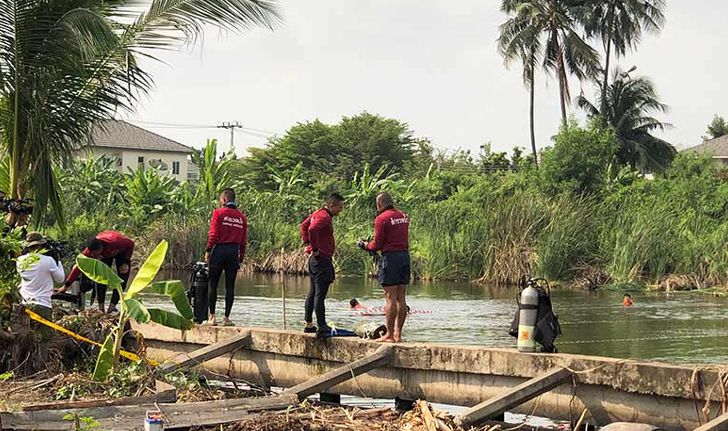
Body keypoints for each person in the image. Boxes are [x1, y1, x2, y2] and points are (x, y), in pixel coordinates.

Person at [358, 192, 410, 343]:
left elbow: (377, 244)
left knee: (390, 298)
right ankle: (398, 334)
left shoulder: (381, 218)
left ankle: (389, 335)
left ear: (379, 204)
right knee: (401, 297)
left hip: (391, 258)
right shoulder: (403, 215)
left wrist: (365, 245)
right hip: (404, 256)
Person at [300, 193, 345, 337]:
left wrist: (307, 242)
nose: (340, 210)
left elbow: (304, 226)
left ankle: (309, 324)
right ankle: (322, 325)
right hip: (321, 260)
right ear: (332, 205)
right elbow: (312, 229)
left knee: (313, 292)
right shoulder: (324, 217)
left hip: (316, 261)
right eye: (339, 207)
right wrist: (314, 248)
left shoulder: (317, 213)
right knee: (320, 294)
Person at [16, 232, 65, 362]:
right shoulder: (48, 261)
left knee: (27, 337)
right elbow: (60, 279)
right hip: (42, 304)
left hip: (25, 304)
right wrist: (58, 260)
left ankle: (26, 366)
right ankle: (41, 366)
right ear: (41, 245)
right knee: (44, 338)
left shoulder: (20, 261)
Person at [205, 188, 248, 326]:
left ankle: (212, 317)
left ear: (224, 199)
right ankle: (226, 318)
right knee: (230, 287)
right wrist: (240, 256)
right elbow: (243, 240)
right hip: (233, 252)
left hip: (219, 250)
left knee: (213, 284)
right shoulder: (242, 217)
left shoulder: (218, 213)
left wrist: (208, 250)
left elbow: (213, 235)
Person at [64, 230, 134, 313]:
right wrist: (65, 286)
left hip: (121, 252)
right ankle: (101, 308)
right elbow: (78, 267)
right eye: (92, 254)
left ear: (100, 249)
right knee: (101, 278)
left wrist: (126, 261)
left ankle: (112, 307)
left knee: (122, 278)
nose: (93, 256)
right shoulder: (89, 252)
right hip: (105, 255)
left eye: (95, 254)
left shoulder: (116, 242)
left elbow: (131, 243)